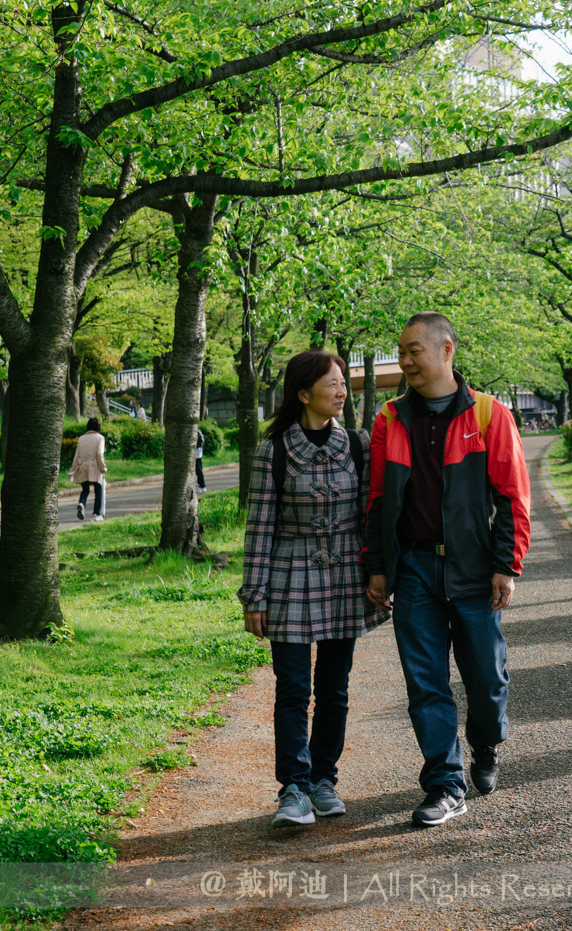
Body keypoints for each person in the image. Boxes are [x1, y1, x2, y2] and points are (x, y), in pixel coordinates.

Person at [362, 312, 531, 828]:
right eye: (402, 351)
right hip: (413, 568)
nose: (406, 360)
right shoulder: (389, 418)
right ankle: (444, 781)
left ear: (446, 350)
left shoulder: (488, 415)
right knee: (425, 682)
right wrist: (377, 565)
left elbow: (512, 496)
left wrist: (507, 565)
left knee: (486, 678)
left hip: (476, 571)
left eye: (415, 350)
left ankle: (485, 743)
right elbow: (376, 499)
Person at [240, 350, 387, 827]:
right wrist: (254, 596)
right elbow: (260, 528)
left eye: (343, 383)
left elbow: (371, 519)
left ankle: (324, 780)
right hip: (289, 578)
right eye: (332, 384)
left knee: (334, 688)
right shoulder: (275, 451)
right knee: (293, 689)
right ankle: (294, 788)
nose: (342, 391)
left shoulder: (360, 446)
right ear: (304, 394)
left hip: (344, 579)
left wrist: (377, 574)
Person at [71, 417, 107, 522]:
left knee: (85, 489)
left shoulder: (81, 438)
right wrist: (103, 467)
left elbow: (76, 456)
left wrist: (72, 470)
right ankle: (96, 514)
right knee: (98, 490)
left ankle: (81, 504)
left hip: (83, 466)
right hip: (94, 466)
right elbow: (99, 454)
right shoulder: (100, 438)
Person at [195, 426, 207, 492]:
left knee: (198, 470)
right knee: (198, 470)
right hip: (197, 454)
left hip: (197, 454)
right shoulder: (197, 431)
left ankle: (202, 486)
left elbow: (199, 442)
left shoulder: (197, 432)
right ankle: (201, 485)